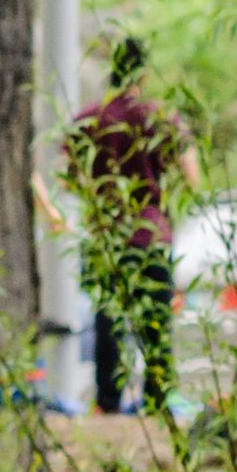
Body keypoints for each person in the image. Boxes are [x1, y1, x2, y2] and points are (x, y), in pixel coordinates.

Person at [67, 35, 191, 416]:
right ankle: (157, 403)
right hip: (152, 232)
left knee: (109, 320)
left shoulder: (89, 119)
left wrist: (98, 201)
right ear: (144, 72)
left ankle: (108, 401)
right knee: (155, 320)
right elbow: (191, 176)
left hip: (108, 235)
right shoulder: (159, 116)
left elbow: (70, 177)